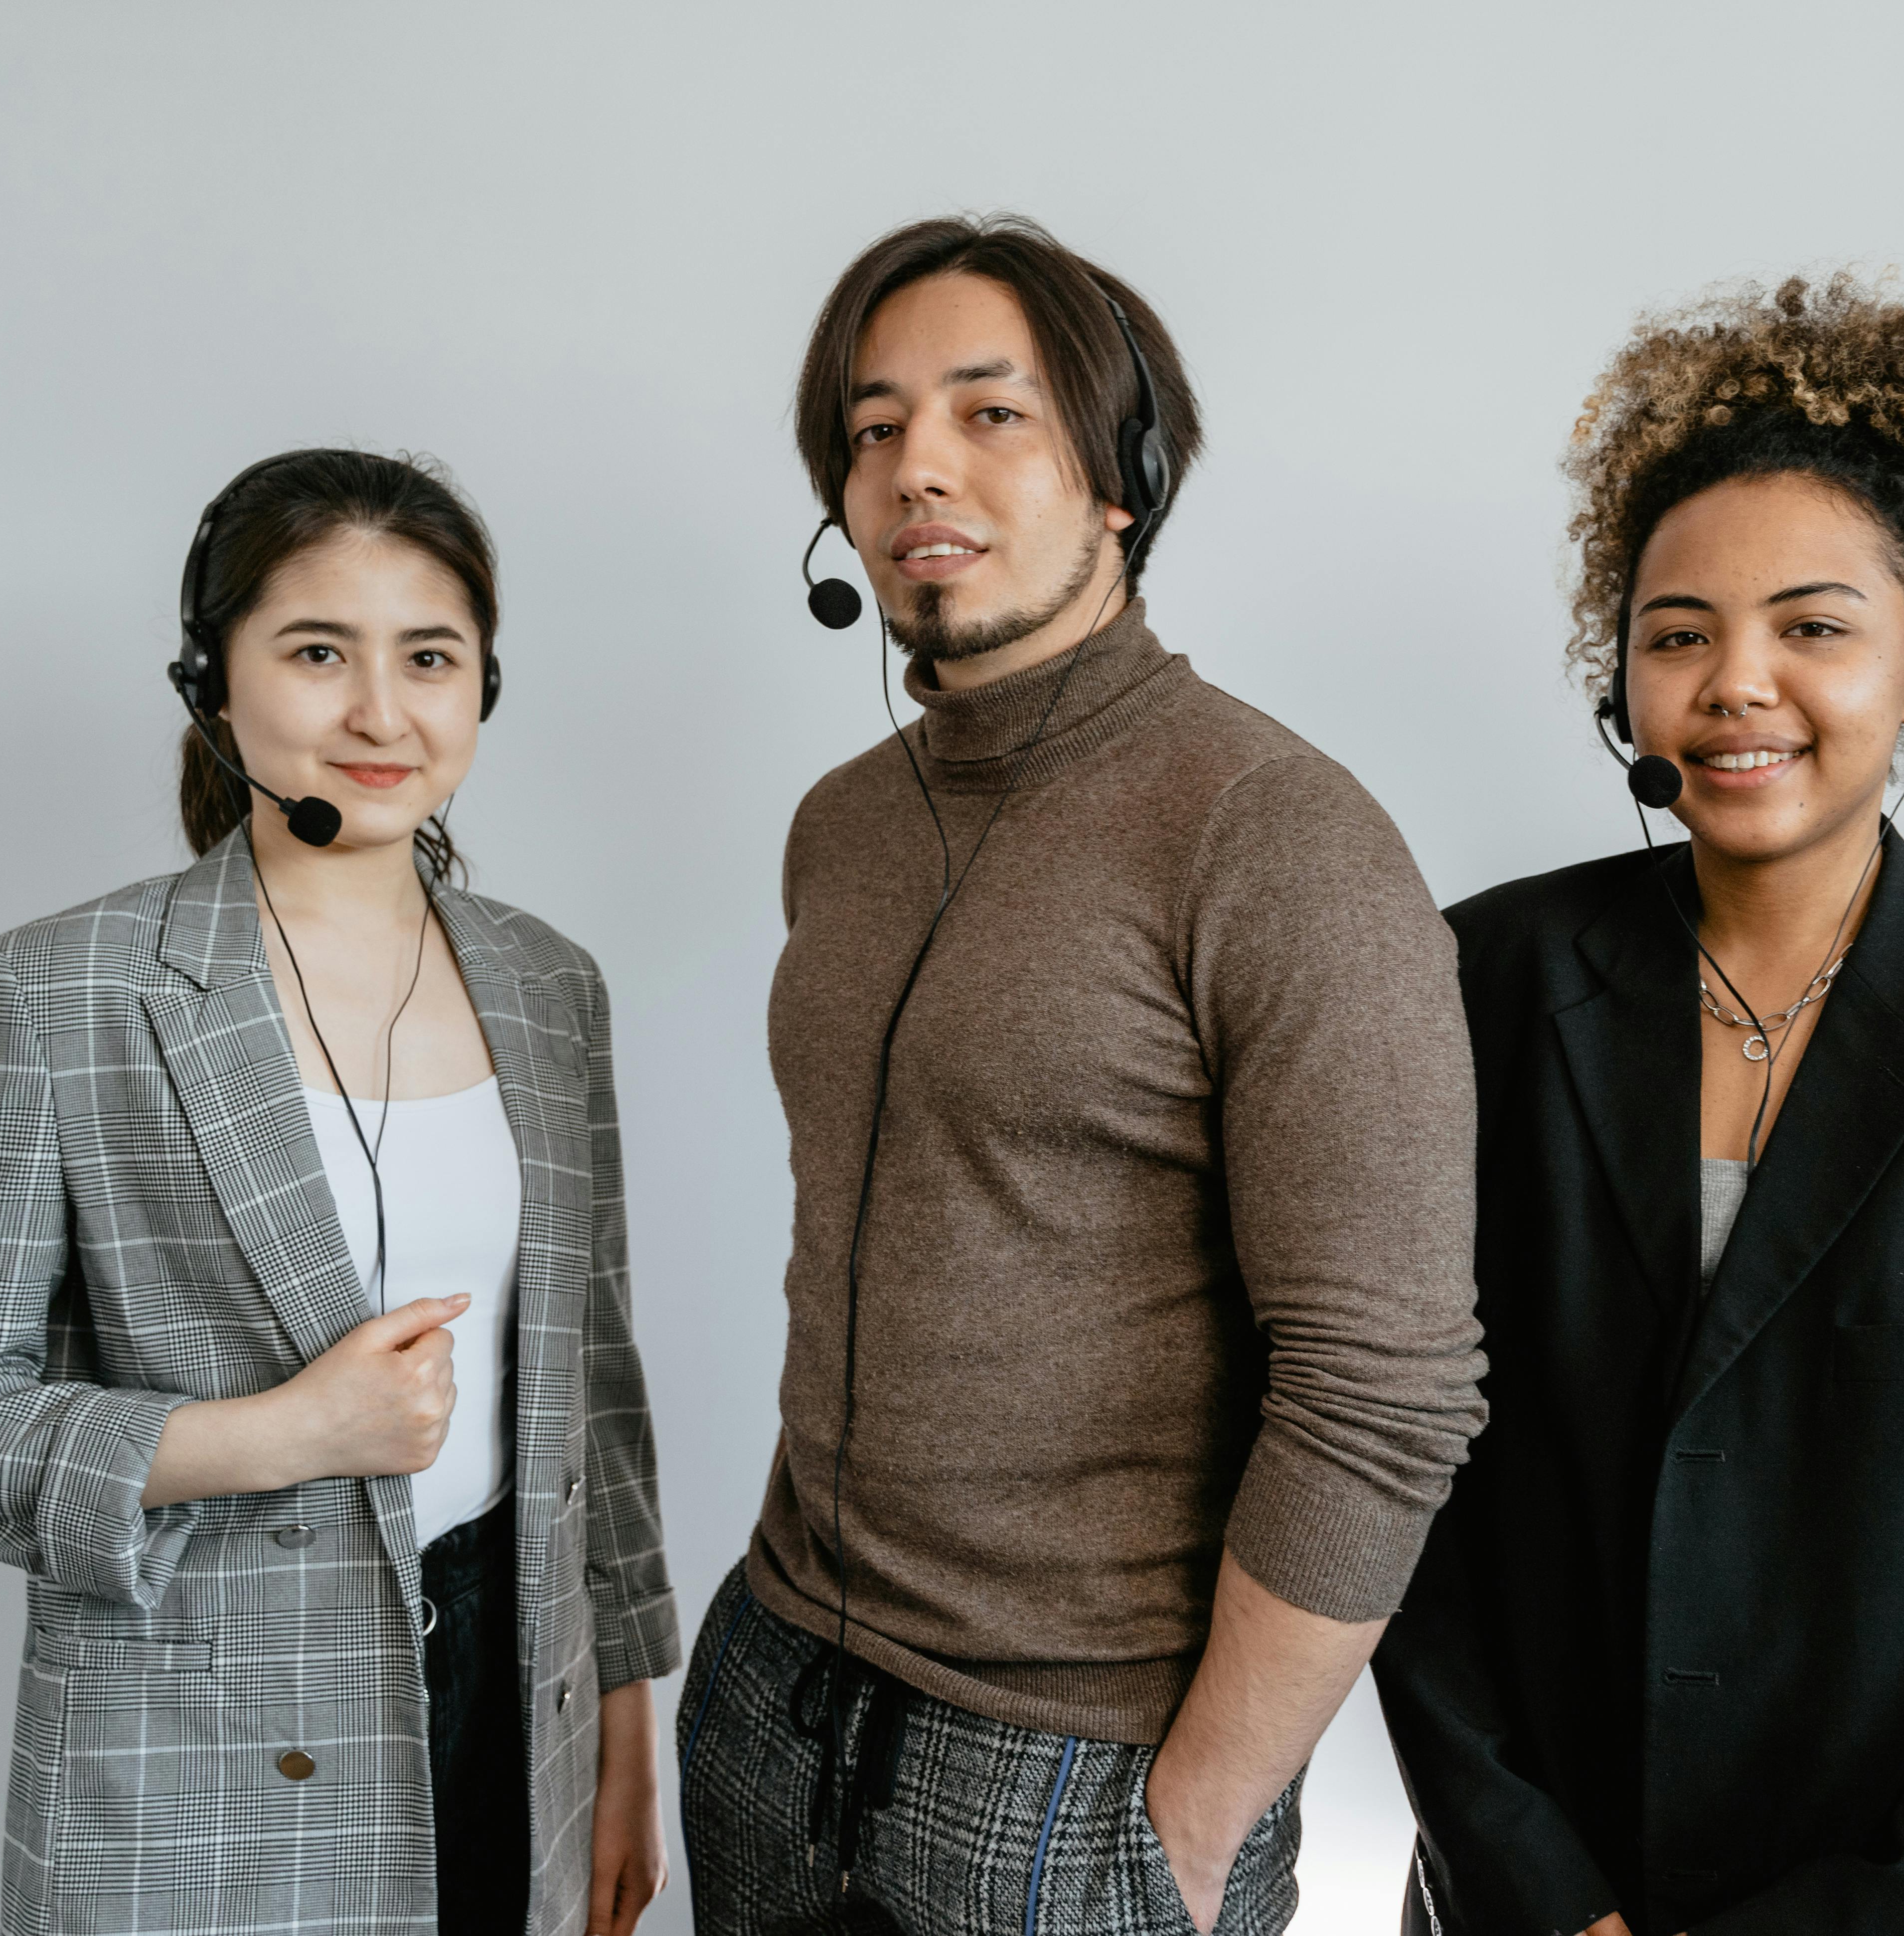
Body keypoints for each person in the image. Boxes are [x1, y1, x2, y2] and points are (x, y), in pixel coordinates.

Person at [1375, 276, 1904, 1936]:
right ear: (1619, 677)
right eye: (1678, 633)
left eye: (1814, 626)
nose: (1735, 682)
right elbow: (1407, 1478)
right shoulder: (1474, 981)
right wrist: (1538, 1888)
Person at [675, 214, 1488, 1936]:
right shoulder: (844, 824)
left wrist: (1193, 1816)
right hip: (769, 1693)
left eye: (991, 413)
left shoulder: (1275, 836)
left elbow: (1387, 1389)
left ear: (1120, 476)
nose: (916, 469)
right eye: (874, 427)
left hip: (1068, 1777)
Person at [0, 449, 679, 1936]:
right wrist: (274, 1436)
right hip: (207, 1759)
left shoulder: (551, 989)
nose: (379, 712)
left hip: (513, 1716)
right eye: (315, 653)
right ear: (211, 683)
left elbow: (590, 1403)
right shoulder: (63, 992)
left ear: (484, 685)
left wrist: (622, 1737)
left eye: (429, 657)